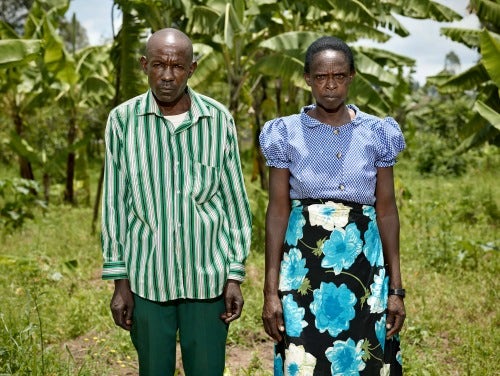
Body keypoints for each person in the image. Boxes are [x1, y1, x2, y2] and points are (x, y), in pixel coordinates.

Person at [101, 28, 252, 376]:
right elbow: (114, 204)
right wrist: (119, 281)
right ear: (144, 65)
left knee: (207, 370)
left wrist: (234, 275)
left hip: (208, 280)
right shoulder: (123, 121)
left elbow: (234, 202)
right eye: (158, 65)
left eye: (177, 67)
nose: (167, 76)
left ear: (192, 68)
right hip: (147, 279)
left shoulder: (217, 119)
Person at [260, 36, 406, 375]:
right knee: (305, 358)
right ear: (307, 79)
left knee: (361, 357)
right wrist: (271, 291)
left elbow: (386, 211)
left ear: (352, 76)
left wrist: (396, 289)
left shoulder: (378, 133)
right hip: (302, 274)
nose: (330, 86)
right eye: (321, 77)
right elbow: (278, 212)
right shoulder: (284, 133)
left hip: (365, 272)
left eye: (339, 76)